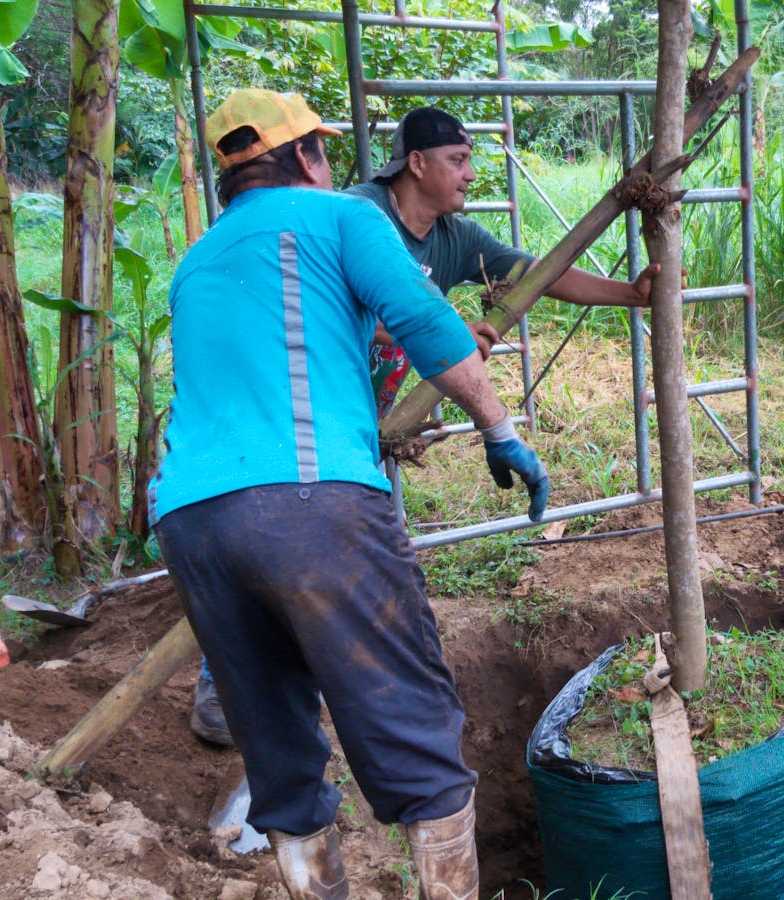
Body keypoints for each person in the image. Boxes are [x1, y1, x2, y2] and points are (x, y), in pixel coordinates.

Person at [152, 88, 549, 899]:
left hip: (190, 524)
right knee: (413, 725)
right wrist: (501, 430)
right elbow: (431, 326)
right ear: (304, 157)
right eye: (323, 149)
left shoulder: (195, 264)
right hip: (310, 503)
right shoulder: (339, 216)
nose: (331, 164)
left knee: (276, 749)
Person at [343, 105, 659, 415]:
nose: (471, 174)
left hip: (364, 414)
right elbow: (323, 308)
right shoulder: (353, 215)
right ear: (417, 163)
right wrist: (442, 330)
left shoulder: (456, 238)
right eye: (457, 160)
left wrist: (631, 293)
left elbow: (538, 274)